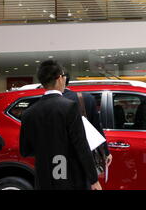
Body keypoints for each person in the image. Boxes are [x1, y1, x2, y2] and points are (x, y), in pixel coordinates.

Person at [19, 60, 101, 190]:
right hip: (68, 175)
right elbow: (81, 145)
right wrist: (93, 179)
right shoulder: (69, 107)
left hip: (43, 176)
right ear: (59, 78)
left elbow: (25, 150)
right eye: (64, 76)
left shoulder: (29, 113)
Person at [63, 74, 112, 168]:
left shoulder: (43, 103)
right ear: (63, 79)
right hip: (82, 154)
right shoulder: (86, 98)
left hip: (56, 158)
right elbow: (96, 126)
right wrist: (105, 152)